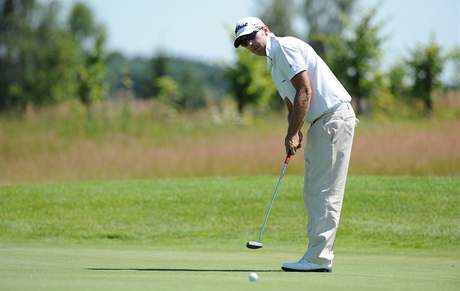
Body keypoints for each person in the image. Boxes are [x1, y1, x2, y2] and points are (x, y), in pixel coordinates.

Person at [234, 17, 358, 272]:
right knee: (315, 190)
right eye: (243, 43)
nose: (249, 44)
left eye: (250, 37)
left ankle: (319, 258)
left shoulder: (285, 47)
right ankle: (317, 255)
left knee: (325, 191)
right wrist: (294, 130)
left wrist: (293, 133)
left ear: (265, 30)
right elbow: (292, 103)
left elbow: (305, 91)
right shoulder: (274, 63)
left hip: (332, 119)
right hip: (322, 123)